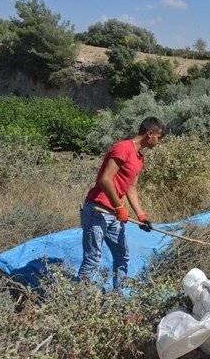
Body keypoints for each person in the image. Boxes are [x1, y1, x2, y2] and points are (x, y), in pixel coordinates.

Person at [77, 116, 166, 289]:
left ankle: (118, 301)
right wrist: (119, 206)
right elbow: (106, 180)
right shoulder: (123, 148)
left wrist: (141, 215)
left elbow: (131, 187)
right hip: (97, 211)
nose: (159, 142)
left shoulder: (139, 158)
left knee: (122, 258)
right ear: (150, 134)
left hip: (114, 215)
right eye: (159, 138)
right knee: (93, 260)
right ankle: (75, 304)